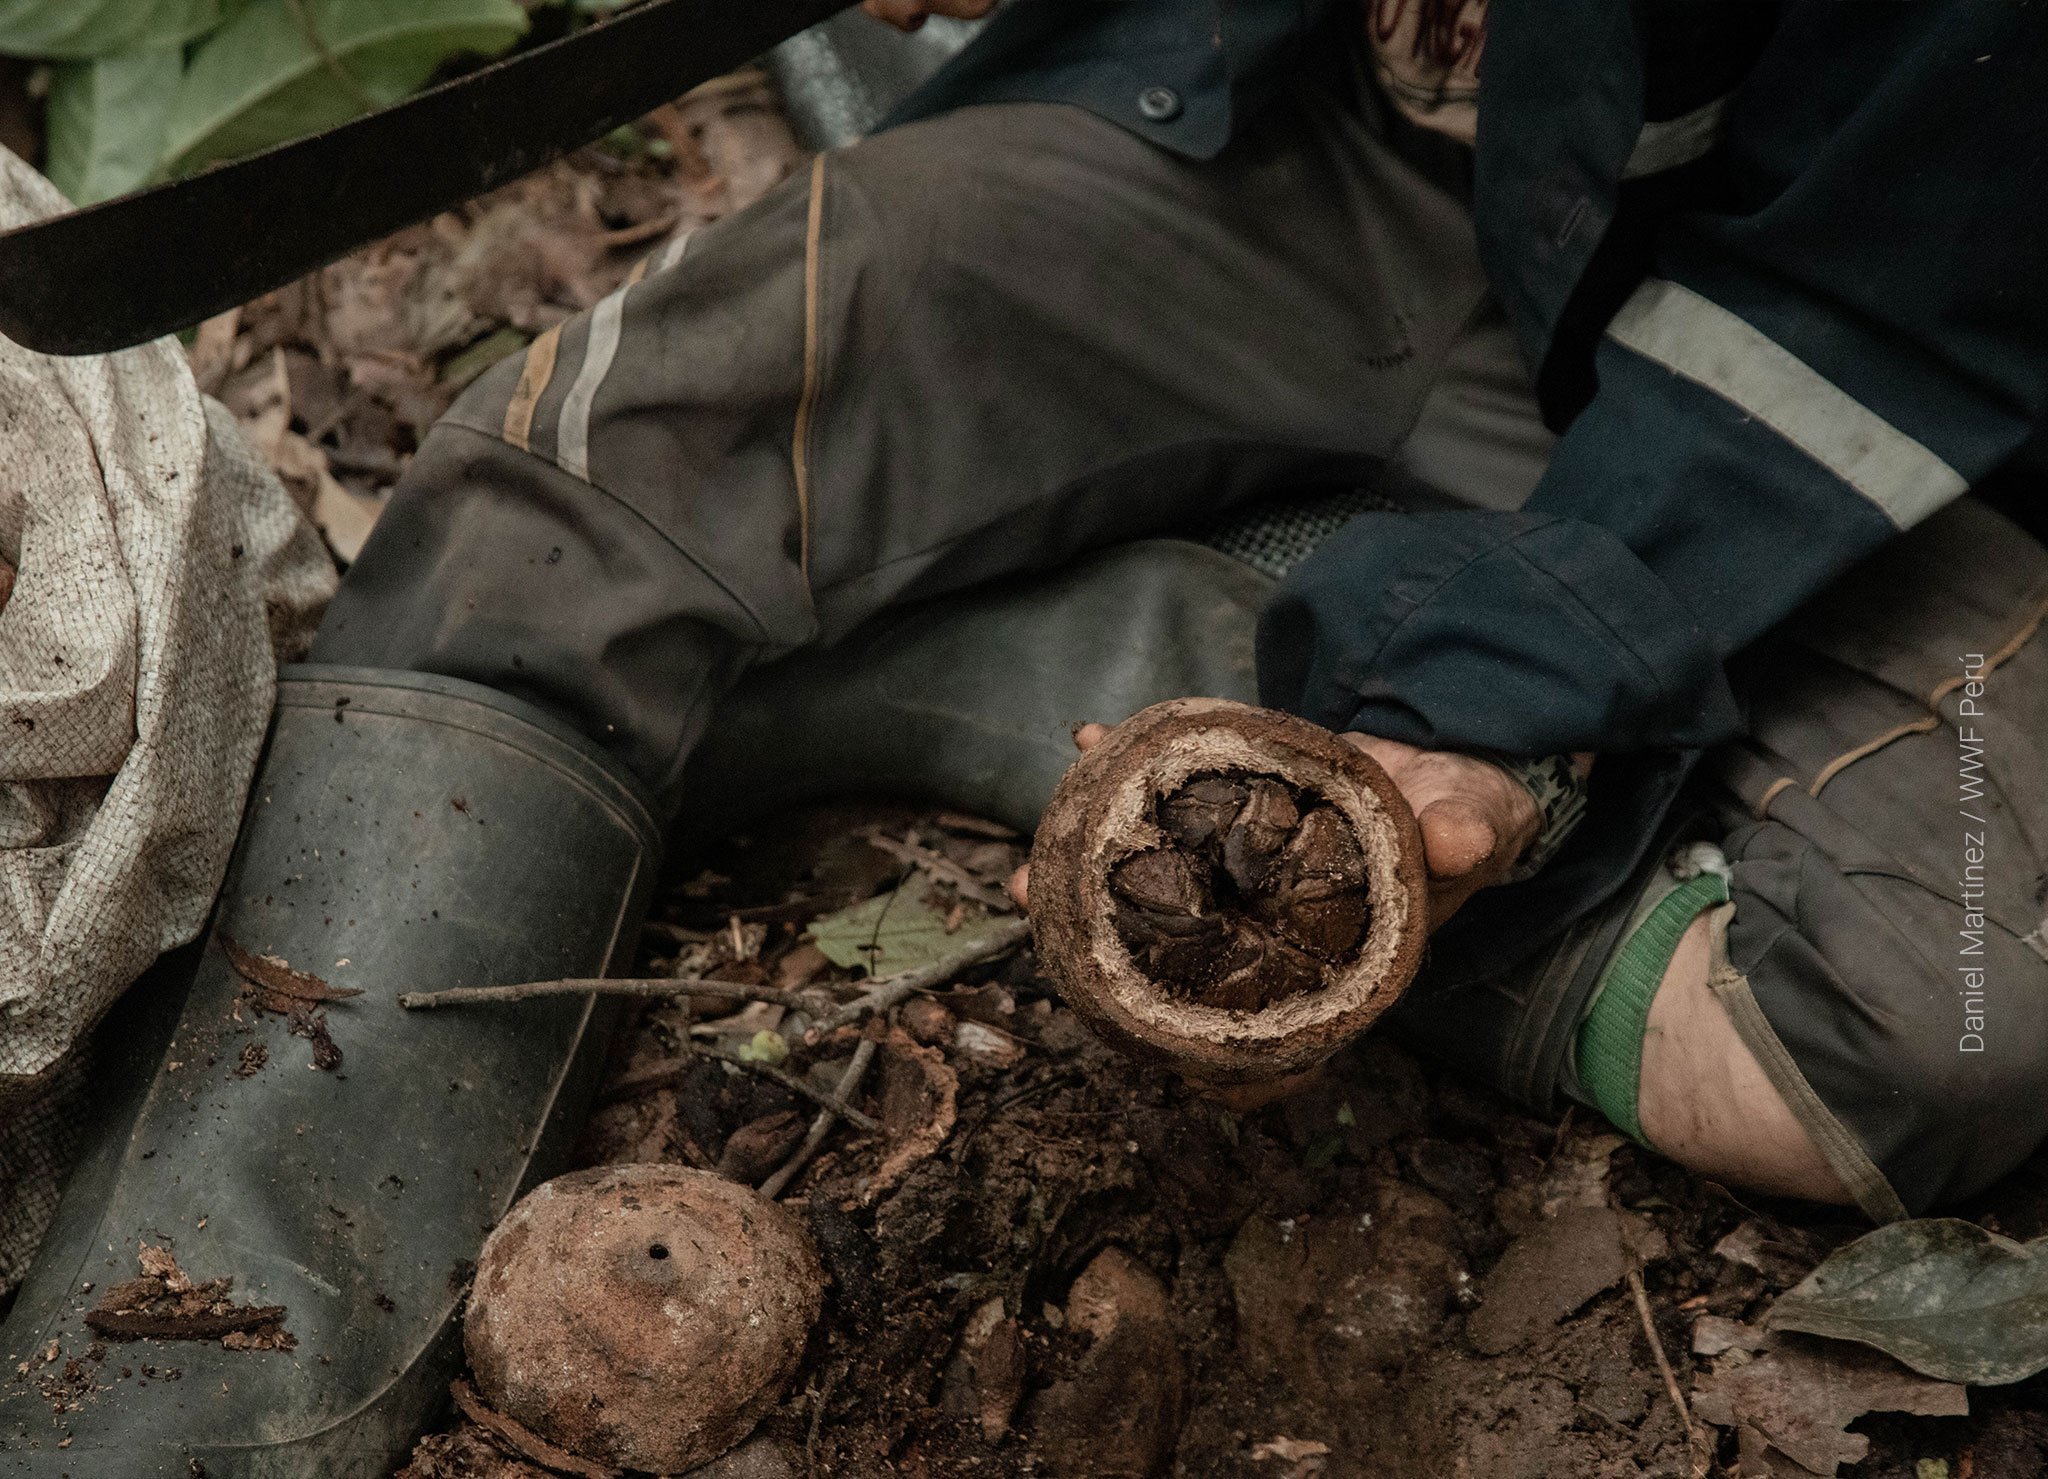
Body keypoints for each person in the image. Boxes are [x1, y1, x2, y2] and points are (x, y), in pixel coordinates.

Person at [5, 1, 2045, 1472]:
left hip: (1806, 336)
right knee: (606, 471)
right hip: (1295, 136)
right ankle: (187, 1362)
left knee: (1934, 1028)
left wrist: (1502, 703)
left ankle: (1171, 668)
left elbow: (1892, 305)